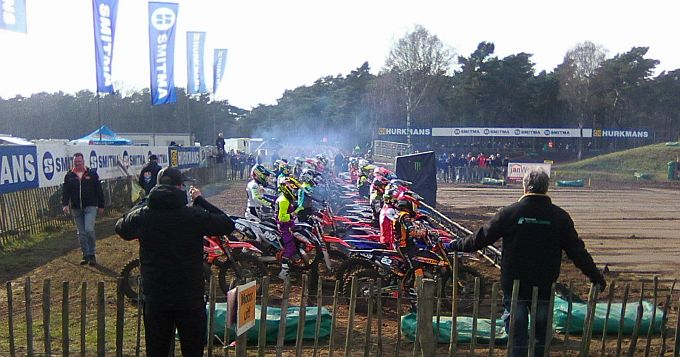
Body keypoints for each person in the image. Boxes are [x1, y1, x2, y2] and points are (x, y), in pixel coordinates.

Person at [446, 169, 606, 357]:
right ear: (546, 188)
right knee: (541, 334)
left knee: (517, 332)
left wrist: (453, 244)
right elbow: (577, 252)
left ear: (524, 186)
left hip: (515, 285)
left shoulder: (510, 213)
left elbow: (478, 240)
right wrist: (595, 276)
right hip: (544, 284)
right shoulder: (559, 217)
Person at [115, 167, 235, 357]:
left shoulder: (144, 215)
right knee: (193, 351)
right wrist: (200, 200)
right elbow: (227, 224)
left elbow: (121, 227)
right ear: (181, 187)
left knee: (157, 351)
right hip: (189, 296)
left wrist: (144, 201)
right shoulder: (193, 215)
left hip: (156, 297)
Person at [62, 153, 105, 266]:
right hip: (76, 208)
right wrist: (65, 204)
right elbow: (65, 191)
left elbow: (99, 191)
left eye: (79, 161)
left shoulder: (92, 174)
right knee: (81, 233)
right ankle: (85, 255)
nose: (77, 163)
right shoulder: (69, 176)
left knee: (89, 229)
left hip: (90, 206)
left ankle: (92, 254)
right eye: (75, 162)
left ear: (83, 161)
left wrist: (101, 205)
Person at [275, 178, 301, 279]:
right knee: (290, 248)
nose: (294, 191)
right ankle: (283, 273)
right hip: (284, 227)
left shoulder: (284, 198)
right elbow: (282, 217)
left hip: (287, 226)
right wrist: (295, 212)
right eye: (292, 188)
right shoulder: (284, 200)